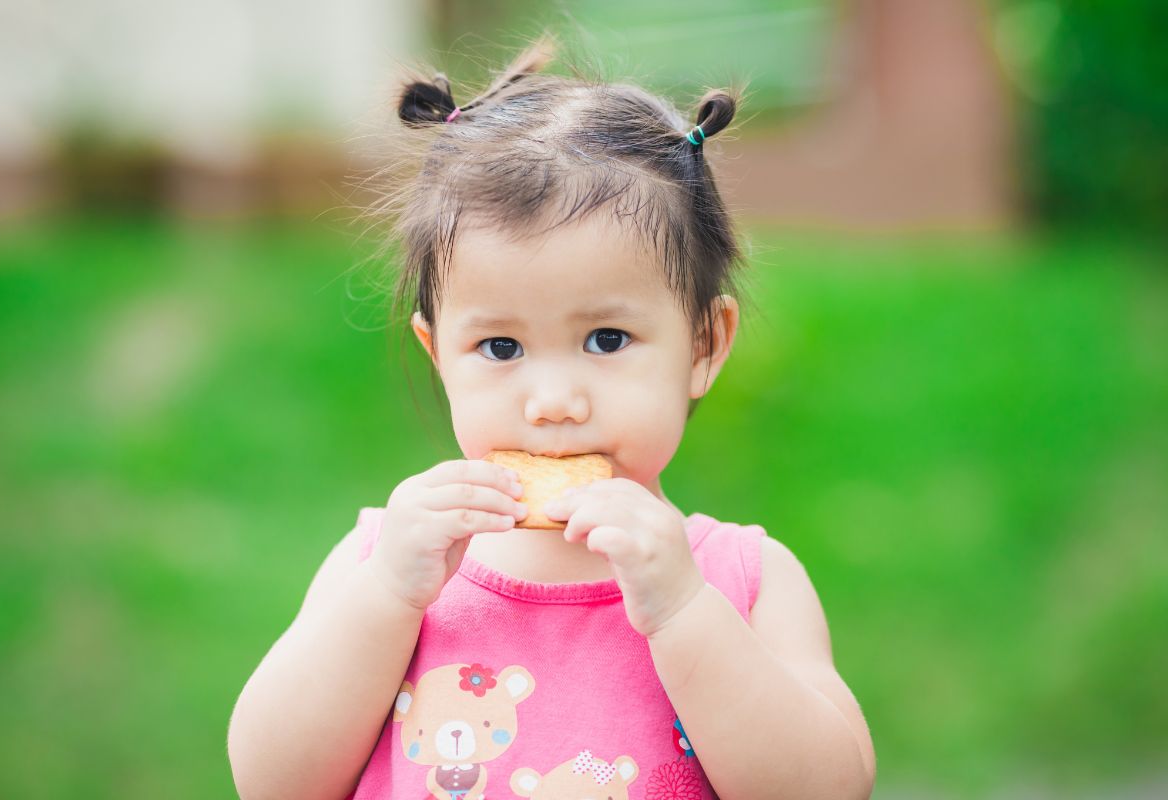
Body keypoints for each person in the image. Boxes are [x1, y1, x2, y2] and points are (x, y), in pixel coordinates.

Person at [228, 33, 875, 800]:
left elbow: (828, 789)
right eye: (500, 346)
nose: (554, 401)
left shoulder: (742, 582)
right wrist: (386, 598)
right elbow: (271, 782)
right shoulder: (384, 565)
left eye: (607, 339)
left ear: (704, 343)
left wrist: (683, 612)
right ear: (439, 355)